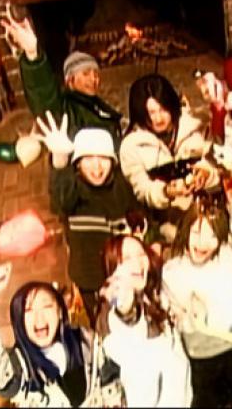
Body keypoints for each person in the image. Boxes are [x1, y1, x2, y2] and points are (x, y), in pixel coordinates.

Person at [163, 173, 232, 408]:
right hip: (201, 357)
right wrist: (188, 317)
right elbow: (177, 316)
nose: (203, 243)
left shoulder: (229, 255)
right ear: (185, 231)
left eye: (212, 235)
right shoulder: (173, 271)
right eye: (197, 233)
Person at [0, 264, 123, 407]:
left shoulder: (90, 345)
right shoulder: (21, 367)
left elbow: (114, 390)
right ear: (19, 321)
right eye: (28, 310)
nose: (39, 317)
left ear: (60, 312)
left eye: (46, 306)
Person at [37, 114, 141, 324]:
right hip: (87, 281)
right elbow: (60, 199)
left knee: (126, 320)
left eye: (103, 159)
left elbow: (138, 214)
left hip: (120, 275)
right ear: (77, 164)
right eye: (88, 159)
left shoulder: (121, 186)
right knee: (95, 324)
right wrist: (60, 163)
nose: (97, 167)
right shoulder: (73, 190)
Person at [120, 73, 218, 246]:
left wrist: (205, 174)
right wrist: (167, 191)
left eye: (163, 110)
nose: (158, 118)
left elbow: (218, 163)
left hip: (210, 216)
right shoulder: (132, 145)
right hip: (167, 226)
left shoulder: (196, 127)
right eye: (151, 113)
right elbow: (142, 189)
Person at [96, 235, 192, 407]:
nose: (137, 262)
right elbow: (124, 317)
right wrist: (123, 307)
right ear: (112, 268)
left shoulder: (152, 298)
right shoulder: (112, 312)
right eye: (127, 258)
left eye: (141, 254)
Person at [1, 15, 123, 148]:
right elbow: (43, 95)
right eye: (86, 74)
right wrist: (33, 55)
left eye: (96, 74)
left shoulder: (95, 104)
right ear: (69, 80)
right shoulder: (66, 108)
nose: (93, 79)